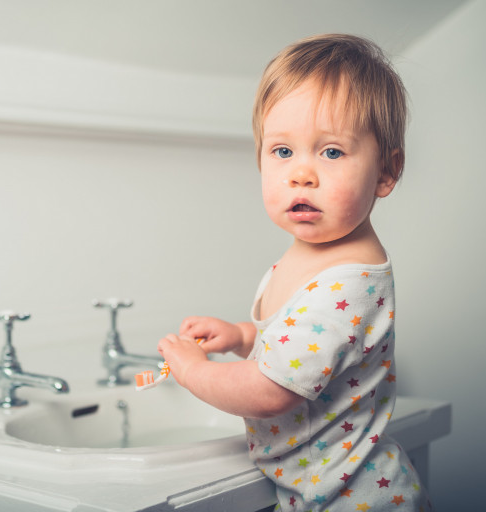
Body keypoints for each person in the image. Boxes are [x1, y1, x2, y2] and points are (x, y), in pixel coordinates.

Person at [157, 34, 433, 511]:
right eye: (282, 152)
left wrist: (193, 370)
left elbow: (271, 391)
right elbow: (297, 341)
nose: (301, 174)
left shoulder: (349, 280)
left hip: (355, 499)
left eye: (331, 152)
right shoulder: (311, 250)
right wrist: (243, 334)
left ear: (386, 173)